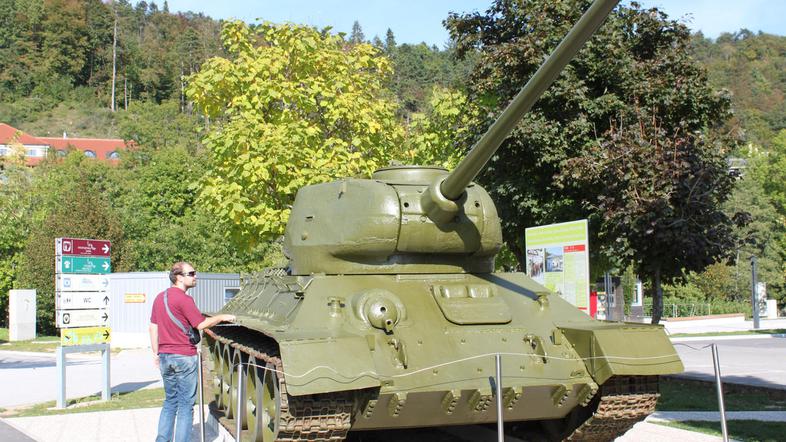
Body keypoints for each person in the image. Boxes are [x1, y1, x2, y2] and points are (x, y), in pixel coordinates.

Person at [149, 261, 236, 442]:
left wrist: (156, 353)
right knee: (185, 406)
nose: (196, 276)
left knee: (170, 402)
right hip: (184, 357)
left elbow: (152, 327)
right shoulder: (184, 299)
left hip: (165, 356)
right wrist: (221, 317)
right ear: (179, 277)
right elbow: (201, 324)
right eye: (191, 273)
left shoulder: (160, 298)